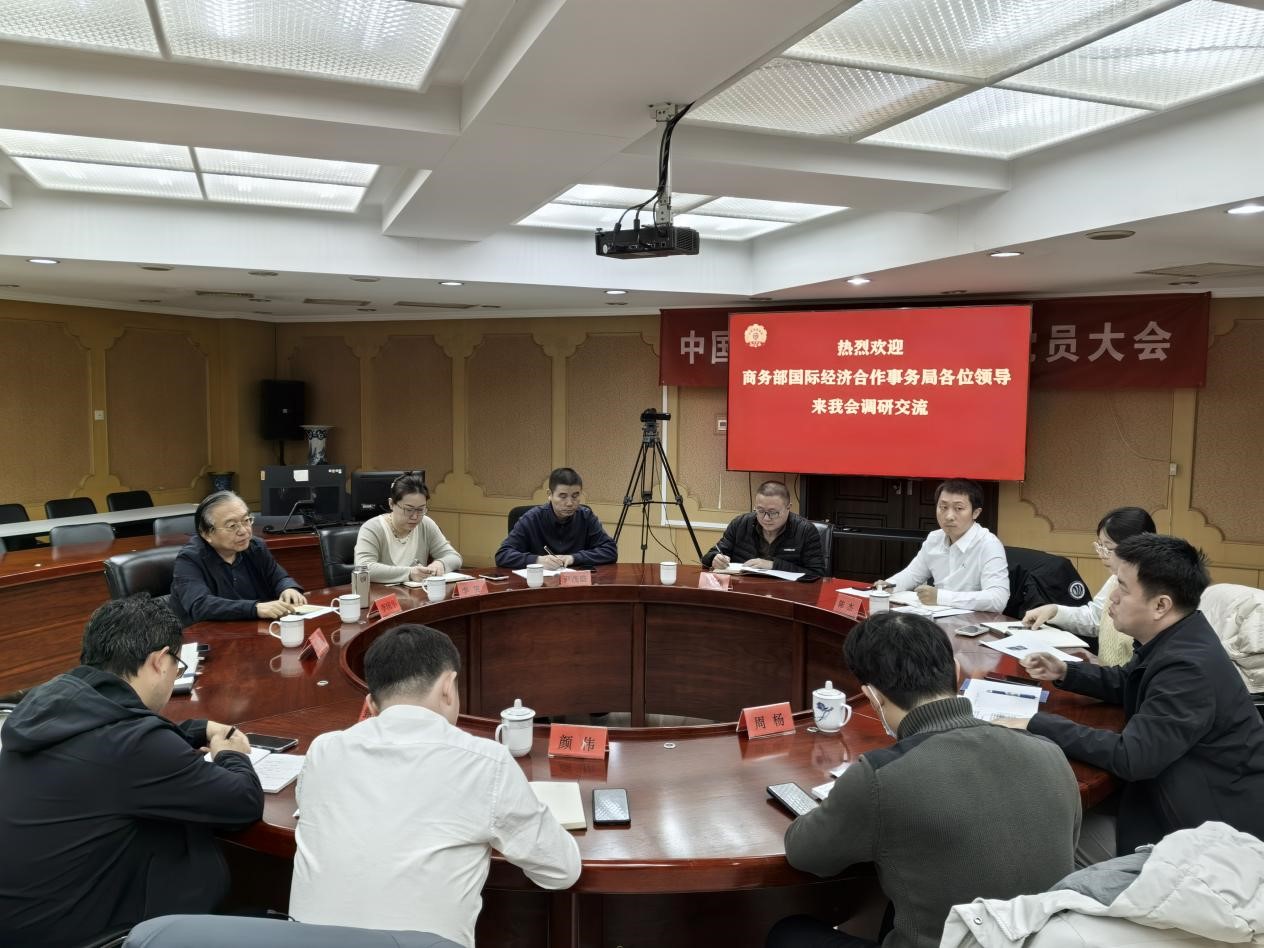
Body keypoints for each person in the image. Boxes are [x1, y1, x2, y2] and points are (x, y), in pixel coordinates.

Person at [769, 611, 1081, 948]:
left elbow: (805, 855)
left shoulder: (880, 776)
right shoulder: (1049, 752)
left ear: (873, 697)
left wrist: (843, 802)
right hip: (1047, 940)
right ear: (957, 672)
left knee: (789, 933)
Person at [290, 624, 581, 947]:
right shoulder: (485, 762)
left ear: (371, 705)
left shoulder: (323, 751)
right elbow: (562, 870)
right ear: (448, 687)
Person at [0, 595, 263, 947]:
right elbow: (242, 801)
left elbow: (117, 749)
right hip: (91, 936)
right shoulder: (133, 745)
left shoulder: (49, 707)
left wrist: (196, 730)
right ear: (159, 661)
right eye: (177, 667)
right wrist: (232, 753)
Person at [1022, 534, 1264, 862]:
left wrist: (1033, 721)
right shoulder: (1181, 635)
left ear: (1161, 605)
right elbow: (1128, 680)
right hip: (1171, 792)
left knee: (1041, 833)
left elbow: (1133, 757)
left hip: (1202, 835)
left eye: (1122, 588)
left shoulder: (1187, 668)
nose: (1112, 598)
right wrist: (1065, 671)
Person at [1022, 506, 1156, 666]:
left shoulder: (1154, 587)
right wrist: (1055, 611)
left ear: (1136, 548)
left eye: (1108, 548)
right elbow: (1096, 618)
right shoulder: (1115, 578)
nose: (1101, 554)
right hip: (1105, 674)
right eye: (1100, 546)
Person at [170, 490, 307, 625]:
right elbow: (200, 605)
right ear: (206, 534)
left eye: (246, 520)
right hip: (206, 634)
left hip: (254, 629)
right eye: (232, 526)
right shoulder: (189, 559)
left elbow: (278, 577)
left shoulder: (255, 547)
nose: (243, 531)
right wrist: (255, 609)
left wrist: (288, 588)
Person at [881, 478, 1009, 612]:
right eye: (943, 507)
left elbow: (998, 599)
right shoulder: (934, 538)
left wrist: (940, 597)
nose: (949, 516)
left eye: (959, 508)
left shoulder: (989, 545)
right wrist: (889, 585)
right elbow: (913, 574)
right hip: (937, 615)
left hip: (974, 619)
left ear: (975, 513)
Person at [494, 467, 617, 569]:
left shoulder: (586, 517)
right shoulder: (531, 518)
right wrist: (537, 560)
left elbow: (610, 551)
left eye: (575, 496)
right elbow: (502, 555)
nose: (570, 503)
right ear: (550, 495)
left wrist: (574, 558)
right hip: (539, 584)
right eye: (563, 496)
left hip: (576, 584)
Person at [701, 480, 826, 580]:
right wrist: (714, 558)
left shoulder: (805, 531)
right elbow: (710, 556)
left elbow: (817, 574)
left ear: (788, 508)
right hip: (743, 591)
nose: (766, 518)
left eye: (773, 512)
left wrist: (773, 565)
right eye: (760, 511)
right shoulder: (741, 524)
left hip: (786, 595)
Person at [355, 473, 462, 583]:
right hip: (378, 593)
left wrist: (440, 564)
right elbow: (363, 567)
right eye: (409, 510)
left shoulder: (426, 524)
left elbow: (454, 557)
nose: (415, 516)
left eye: (420, 510)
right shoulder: (372, 528)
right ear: (391, 504)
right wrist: (409, 573)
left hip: (417, 593)